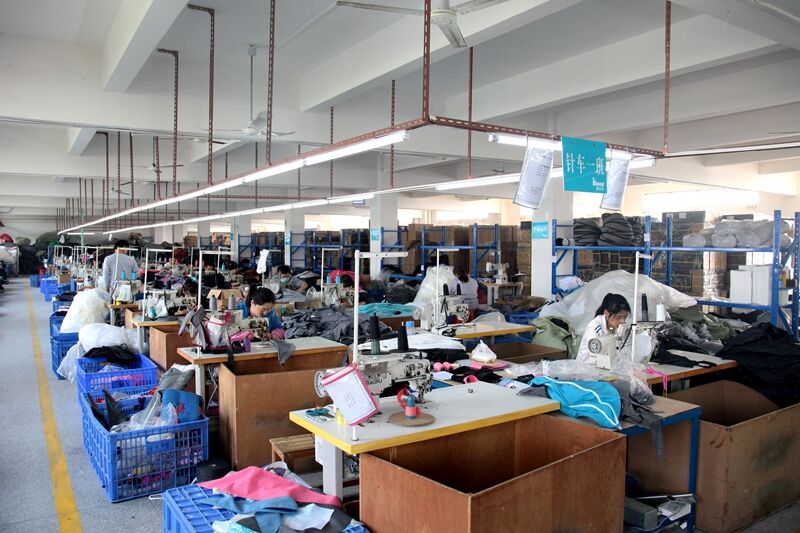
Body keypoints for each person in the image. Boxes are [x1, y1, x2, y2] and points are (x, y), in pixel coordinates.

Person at [577, 293, 631, 364]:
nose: (622, 321)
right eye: (618, 317)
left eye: (625, 317)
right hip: (587, 366)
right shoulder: (594, 328)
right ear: (606, 313)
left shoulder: (617, 327)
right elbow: (594, 355)